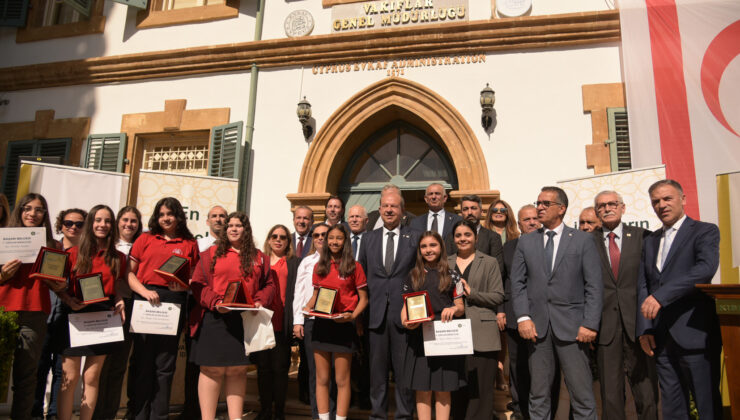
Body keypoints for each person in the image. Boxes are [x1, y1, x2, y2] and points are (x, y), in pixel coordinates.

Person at [510, 186, 602, 420]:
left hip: (574, 329)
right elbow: (517, 283)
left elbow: (593, 285)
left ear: (561, 209)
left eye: (545, 204)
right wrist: (523, 317)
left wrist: (590, 323)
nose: (539, 207)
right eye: (538, 202)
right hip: (537, 329)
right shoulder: (527, 242)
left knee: (582, 395)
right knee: (538, 395)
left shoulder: (582, 240)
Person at [637, 179, 722, 419]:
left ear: (683, 199)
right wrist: (645, 328)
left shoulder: (705, 231)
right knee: (673, 408)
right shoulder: (650, 240)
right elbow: (643, 283)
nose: (661, 205)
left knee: (707, 406)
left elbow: (704, 269)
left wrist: (661, 297)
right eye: (656, 201)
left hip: (695, 332)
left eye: (667, 198)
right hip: (661, 338)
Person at [189, 211, 275, 420]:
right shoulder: (209, 254)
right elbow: (198, 284)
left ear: (246, 230)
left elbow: (270, 285)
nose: (234, 229)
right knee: (212, 370)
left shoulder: (259, 257)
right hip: (215, 318)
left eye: (238, 225)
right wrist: (215, 302)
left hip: (243, 320)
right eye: (230, 226)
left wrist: (259, 301)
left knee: (237, 370)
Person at [128, 197, 200, 420]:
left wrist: (183, 285)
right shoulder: (145, 238)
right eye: (161, 214)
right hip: (145, 299)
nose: (165, 218)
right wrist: (144, 292)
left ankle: (159, 416)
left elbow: (195, 279)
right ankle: (138, 415)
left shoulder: (189, 243)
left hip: (174, 301)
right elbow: (129, 273)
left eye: (170, 214)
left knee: (165, 364)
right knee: (142, 361)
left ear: (178, 216)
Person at [592, 190, 658, 420]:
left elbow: (652, 280)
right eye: (601, 206)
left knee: (646, 391)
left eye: (612, 204)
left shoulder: (644, 237)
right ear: (596, 211)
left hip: (639, 325)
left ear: (623, 207)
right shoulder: (587, 242)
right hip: (604, 327)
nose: (607, 208)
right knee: (610, 394)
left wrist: (649, 323)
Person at [57, 205, 127, 420]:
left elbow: (116, 286)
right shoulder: (72, 253)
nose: (102, 225)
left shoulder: (118, 257)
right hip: (74, 315)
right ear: (91, 223)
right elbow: (57, 286)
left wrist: (119, 300)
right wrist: (69, 299)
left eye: (107, 221)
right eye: (98, 220)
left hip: (103, 318)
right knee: (69, 377)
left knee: (92, 377)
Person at [0, 193, 64, 420]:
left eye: (38, 210)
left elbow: (59, 285)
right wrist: (2, 276)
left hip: (35, 313)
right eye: (28, 208)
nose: (33, 213)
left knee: (26, 377)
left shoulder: (53, 244)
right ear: (20, 211)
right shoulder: (3, 237)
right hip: (3, 311)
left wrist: (53, 280)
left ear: (44, 215)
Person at [358, 186, 420, 420]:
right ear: (380, 209)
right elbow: (361, 277)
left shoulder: (414, 237)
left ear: (402, 211)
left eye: (394, 206)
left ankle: (404, 415)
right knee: (377, 374)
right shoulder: (368, 238)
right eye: (385, 206)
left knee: (404, 373)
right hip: (375, 315)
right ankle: (378, 415)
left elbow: (418, 276)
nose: (389, 210)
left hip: (404, 316)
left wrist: (414, 311)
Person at [303, 224, 368, 420]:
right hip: (322, 325)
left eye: (339, 238)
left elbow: (363, 299)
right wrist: (307, 308)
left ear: (345, 241)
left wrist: (352, 316)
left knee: (342, 379)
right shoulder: (319, 266)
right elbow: (315, 295)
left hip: (344, 325)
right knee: (322, 378)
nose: (334, 242)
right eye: (331, 238)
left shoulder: (354, 267)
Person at [400, 231, 465, 420]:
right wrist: (407, 323)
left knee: (443, 389)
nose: (428, 250)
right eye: (424, 246)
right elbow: (405, 309)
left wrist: (454, 309)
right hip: (419, 337)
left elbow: (460, 306)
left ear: (441, 248)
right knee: (422, 390)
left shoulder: (453, 275)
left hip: (445, 337)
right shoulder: (412, 276)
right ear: (419, 250)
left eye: (433, 245)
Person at [32, 208, 87, 420]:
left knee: (62, 372)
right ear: (60, 225)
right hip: (46, 314)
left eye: (79, 224)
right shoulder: (50, 248)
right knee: (39, 366)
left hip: (72, 317)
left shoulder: (86, 254)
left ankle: (54, 414)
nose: (73, 227)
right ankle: (35, 413)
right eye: (68, 223)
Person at [501, 204, 554, 420]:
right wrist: (500, 311)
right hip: (515, 317)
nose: (531, 222)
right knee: (518, 367)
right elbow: (503, 281)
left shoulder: (551, 244)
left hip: (548, 317)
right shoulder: (508, 248)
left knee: (546, 369)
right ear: (519, 224)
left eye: (534, 218)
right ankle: (520, 411)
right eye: (526, 219)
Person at [447, 220, 504, 420]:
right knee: (457, 389)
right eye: (458, 235)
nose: (463, 239)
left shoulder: (489, 262)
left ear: (476, 238)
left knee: (481, 391)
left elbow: (498, 296)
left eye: (467, 234)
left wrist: (472, 293)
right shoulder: (445, 263)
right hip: (452, 335)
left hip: (483, 335)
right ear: (453, 239)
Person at [93, 205, 143, 420]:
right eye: (125, 220)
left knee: (119, 366)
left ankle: (109, 414)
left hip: (134, 306)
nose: (129, 224)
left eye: (133, 221)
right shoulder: (108, 245)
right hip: (109, 305)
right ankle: (95, 414)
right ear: (117, 222)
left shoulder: (143, 245)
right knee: (101, 366)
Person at [255, 224, 300, 420]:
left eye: (283, 237)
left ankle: (279, 412)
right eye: (274, 236)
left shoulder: (295, 263)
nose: (278, 239)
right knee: (263, 368)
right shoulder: (259, 260)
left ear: (288, 241)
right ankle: (265, 410)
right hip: (261, 320)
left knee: (280, 369)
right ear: (268, 239)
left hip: (282, 320)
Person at [293, 223, 331, 419]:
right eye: (316, 235)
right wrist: (297, 321)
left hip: (335, 321)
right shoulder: (307, 262)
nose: (320, 238)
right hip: (312, 321)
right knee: (315, 371)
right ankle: (318, 414)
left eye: (324, 234)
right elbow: (299, 293)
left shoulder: (342, 261)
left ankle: (333, 413)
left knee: (333, 372)